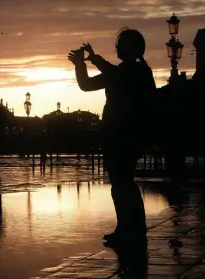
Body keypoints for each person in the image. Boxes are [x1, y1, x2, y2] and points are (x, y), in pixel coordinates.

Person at [68, 28, 156, 245]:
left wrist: (94, 58)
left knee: (123, 180)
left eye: (120, 44)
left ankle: (131, 228)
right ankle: (129, 226)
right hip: (117, 132)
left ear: (132, 48)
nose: (116, 48)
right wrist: (80, 65)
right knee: (120, 181)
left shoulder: (137, 72)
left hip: (127, 132)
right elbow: (86, 86)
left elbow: (117, 77)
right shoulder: (125, 71)